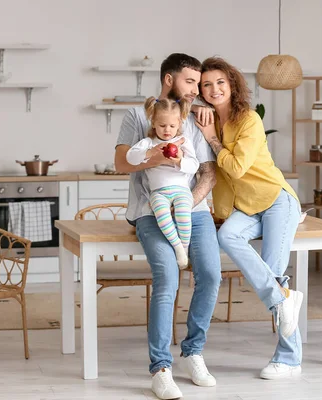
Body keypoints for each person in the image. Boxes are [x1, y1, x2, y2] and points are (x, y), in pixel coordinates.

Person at [115, 53, 221, 400]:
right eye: (190, 82)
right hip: (151, 209)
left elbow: (208, 171)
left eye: (199, 83)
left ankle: (192, 352)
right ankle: (161, 368)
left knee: (210, 274)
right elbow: (120, 163)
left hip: (193, 208)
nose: (196, 89)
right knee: (168, 278)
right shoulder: (136, 115)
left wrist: (188, 205)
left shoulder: (195, 117)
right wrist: (156, 156)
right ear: (168, 80)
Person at [195, 56, 304, 380]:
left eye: (220, 83)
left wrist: (213, 138)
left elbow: (237, 168)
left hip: (275, 200)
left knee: (273, 272)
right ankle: (285, 302)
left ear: (232, 85)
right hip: (245, 206)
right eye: (206, 84)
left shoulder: (249, 120)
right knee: (226, 236)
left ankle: (289, 358)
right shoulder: (207, 117)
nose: (214, 89)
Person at [126, 96, 199, 268]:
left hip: (181, 190)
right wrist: (150, 153)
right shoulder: (148, 143)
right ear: (153, 123)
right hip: (158, 192)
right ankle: (178, 248)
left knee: (183, 214)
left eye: (172, 126)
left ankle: (185, 247)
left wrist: (180, 160)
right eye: (162, 125)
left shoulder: (182, 142)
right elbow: (130, 158)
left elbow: (194, 165)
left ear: (179, 124)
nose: (167, 130)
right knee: (161, 215)